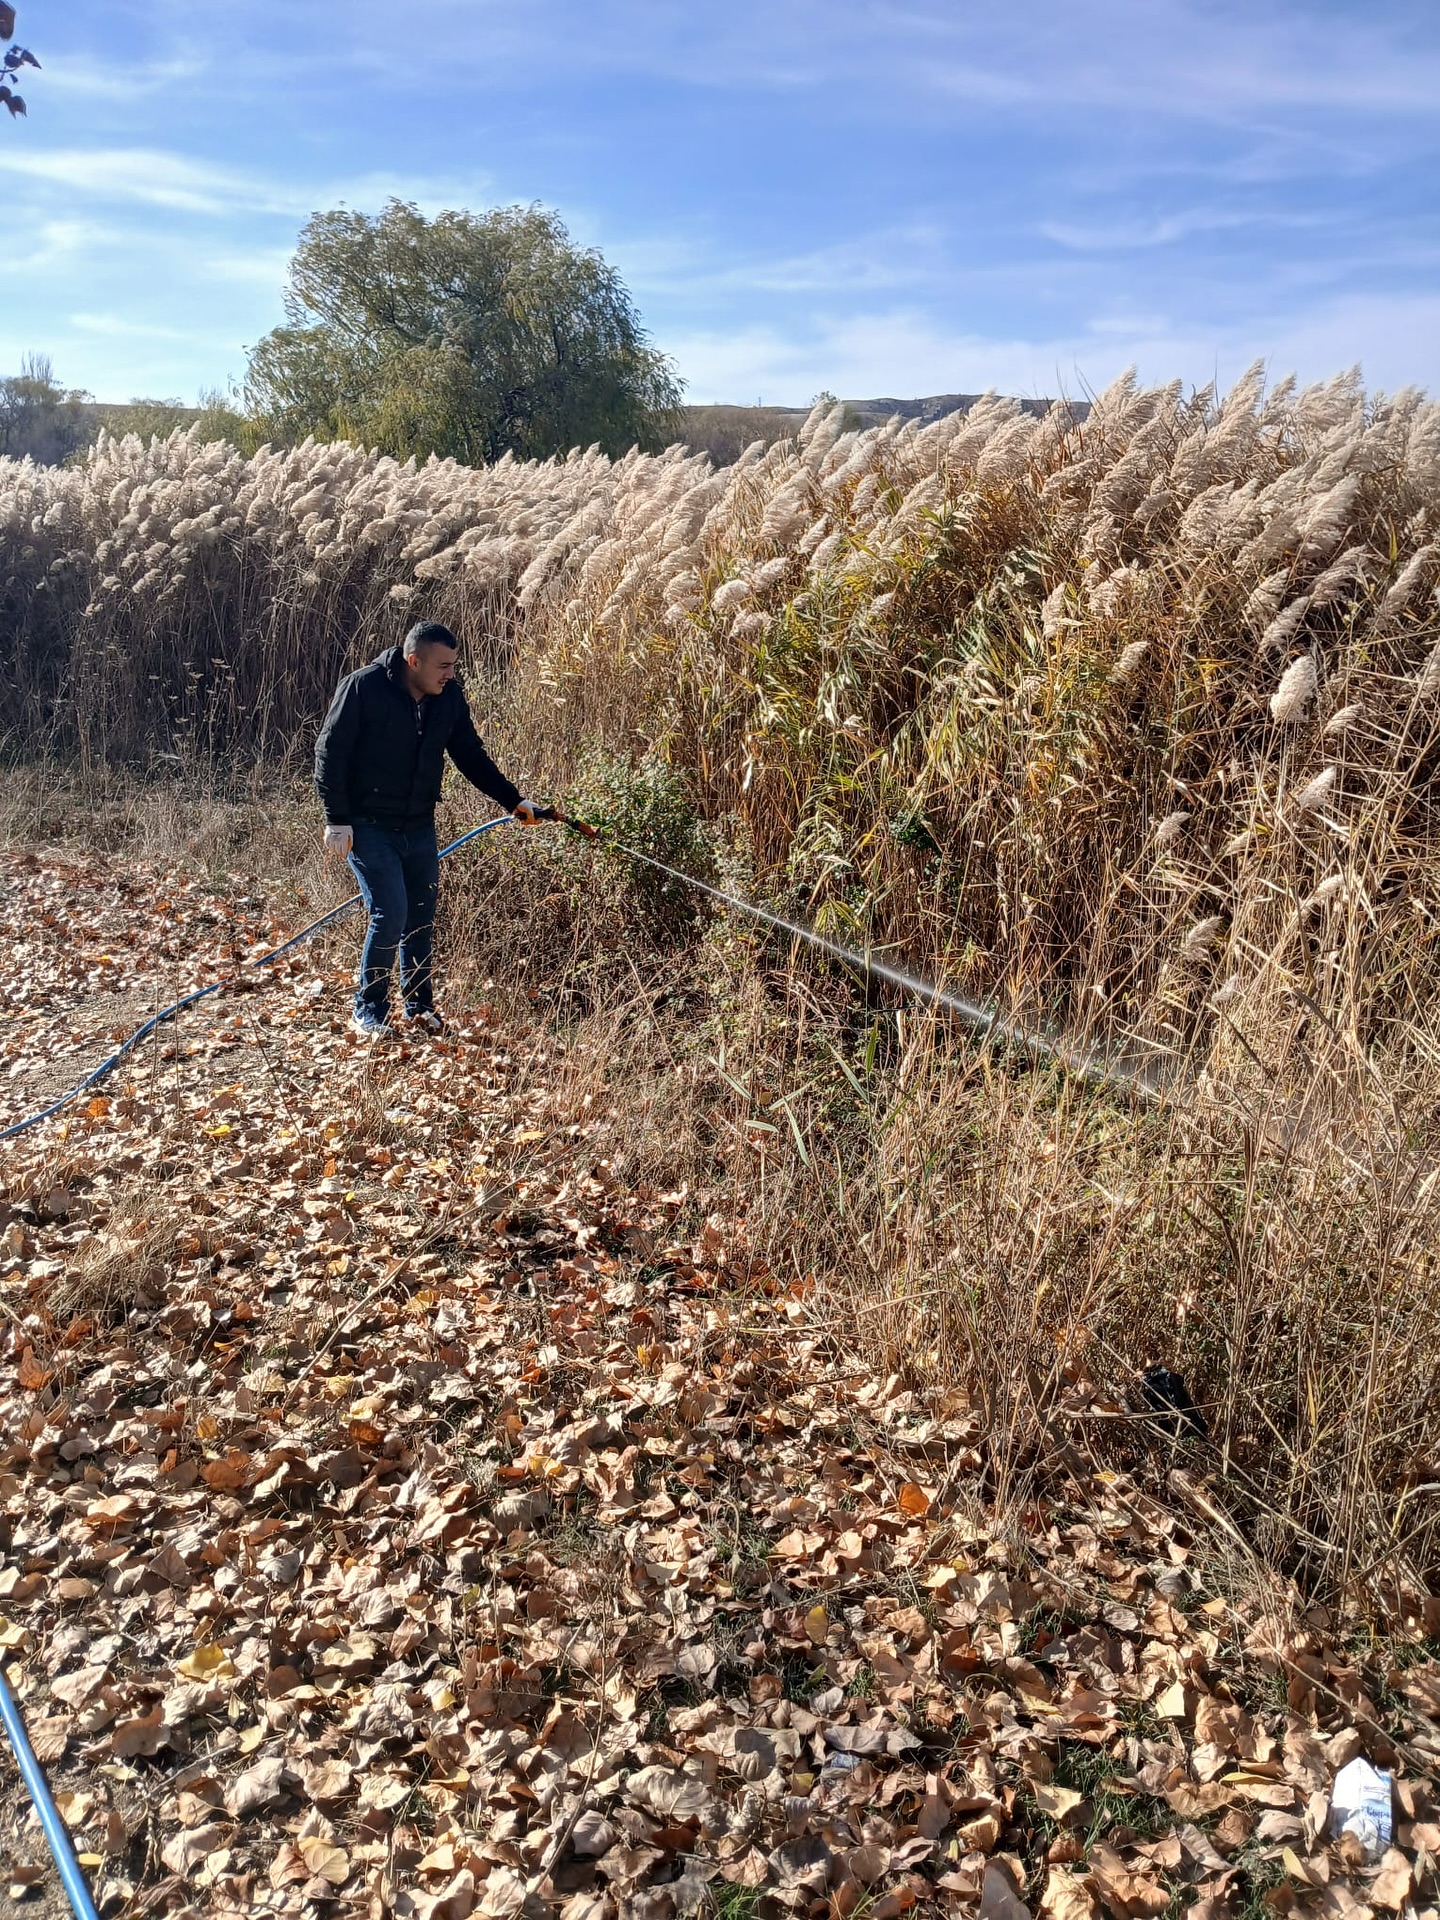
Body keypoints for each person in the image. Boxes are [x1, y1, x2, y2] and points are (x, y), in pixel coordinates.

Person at [314, 619, 542, 1037]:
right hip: (367, 825)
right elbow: (330, 753)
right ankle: (369, 1010)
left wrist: (514, 800)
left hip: (418, 824)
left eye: (453, 665)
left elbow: (471, 756)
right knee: (391, 912)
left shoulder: (448, 698)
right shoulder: (363, 688)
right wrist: (337, 819)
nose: (450, 674)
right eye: (442, 666)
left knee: (420, 916)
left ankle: (419, 1008)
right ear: (413, 660)